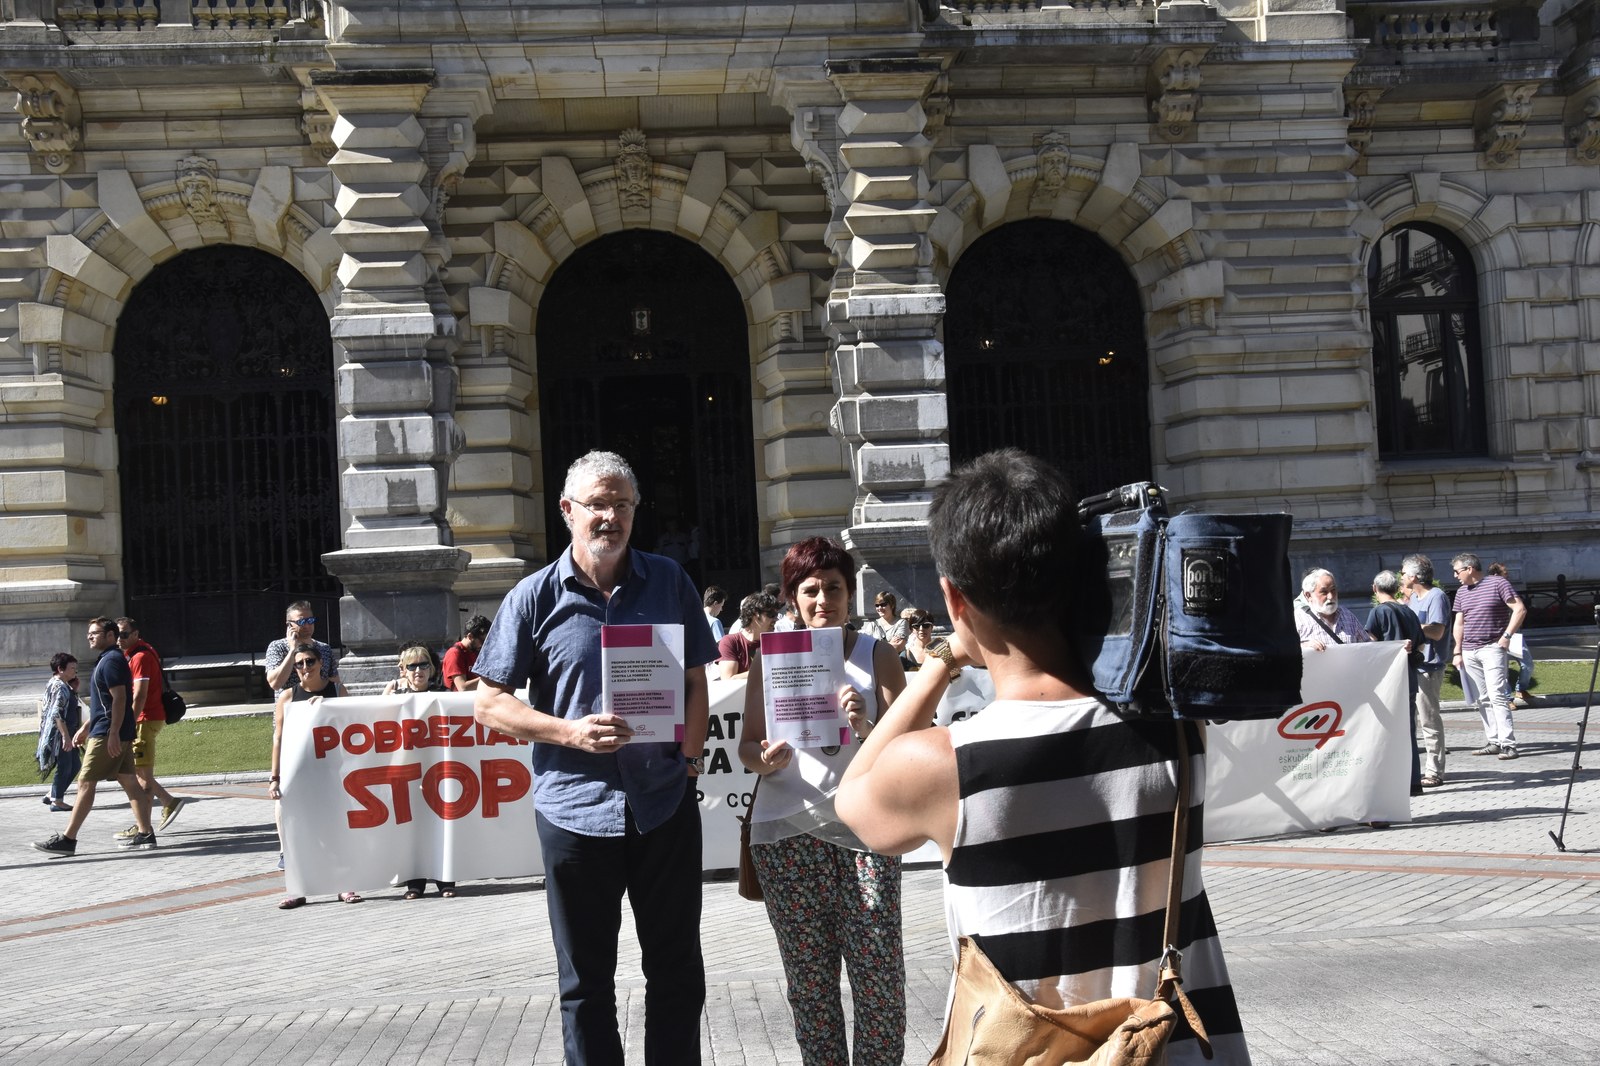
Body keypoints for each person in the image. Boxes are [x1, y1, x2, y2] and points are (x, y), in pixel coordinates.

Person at [834, 449, 1249, 1065]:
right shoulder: (1179, 727)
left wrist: (942, 661)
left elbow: (853, 799)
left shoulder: (947, 766)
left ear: (955, 600)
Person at [473, 450, 717, 1066]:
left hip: (662, 805)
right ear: (567, 510)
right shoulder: (533, 597)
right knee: (584, 983)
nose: (611, 517)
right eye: (598, 505)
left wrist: (690, 760)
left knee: (677, 970)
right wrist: (569, 733)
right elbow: (489, 704)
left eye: (622, 505)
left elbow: (696, 681)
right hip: (575, 813)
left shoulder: (670, 580)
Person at [737, 536, 909, 1066]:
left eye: (833, 588)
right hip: (786, 837)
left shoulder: (877, 655)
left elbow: (910, 748)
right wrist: (766, 759)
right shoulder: (770, 659)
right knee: (810, 989)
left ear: (850, 593)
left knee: (880, 984)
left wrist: (867, 725)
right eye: (810, 590)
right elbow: (747, 747)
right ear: (792, 598)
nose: (822, 600)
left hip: (866, 835)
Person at [33, 618, 157, 856]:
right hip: (111, 729)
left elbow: (120, 699)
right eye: (88, 633)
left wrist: (113, 733)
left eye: (95, 633)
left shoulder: (111, 661)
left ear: (110, 635)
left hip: (108, 733)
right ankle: (145, 834)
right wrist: (86, 728)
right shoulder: (109, 659)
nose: (89, 637)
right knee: (129, 781)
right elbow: (106, 703)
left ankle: (68, 839)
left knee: (85, 783)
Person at [270, 643, 356, 908]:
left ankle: (344, 885)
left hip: (332, 770)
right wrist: (275, 777)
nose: (305, 667)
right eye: (300, 664)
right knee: (298, 831)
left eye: (310, 661)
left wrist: (327, 706)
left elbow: (353, 724)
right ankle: (297, 889)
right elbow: (279, 737)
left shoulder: (337, 691)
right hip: (299, 770)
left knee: (336, 828)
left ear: (320, 663)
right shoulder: (288, 696)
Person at [380, 641, 459, 899]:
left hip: (439, 772)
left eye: (423, 665)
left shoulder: (444, 695)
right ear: (402, 669)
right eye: (411, 666)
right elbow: (373, 720)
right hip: (408, 773)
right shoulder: (395, 695)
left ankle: (446, 880)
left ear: (431, 668)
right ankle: (415, 883)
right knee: (412, 828)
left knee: (441, 825)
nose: (418, 671)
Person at [113, 618, 187, 835]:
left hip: (144, 719)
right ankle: (166, 804)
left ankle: (145, 826)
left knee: (141, 775)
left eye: (124, 634)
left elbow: (140, 695)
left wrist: (130, 722)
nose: (119, 639)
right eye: (116, 635)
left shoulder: (140, 657)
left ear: (136, 634)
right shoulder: (139, 651)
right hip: (147, 718)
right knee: (139, 772)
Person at [1451, 553, 1527, 760]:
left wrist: (1506, 636)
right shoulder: (1461, 592)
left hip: (1492, 648)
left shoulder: (1497, 583)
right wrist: (1457, 651)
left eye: (1457, 571)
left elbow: (1519, 609)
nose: (1455, 576)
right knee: (1482, 699)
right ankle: (1494, 741)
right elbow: (1459, 623)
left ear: (1469, 569)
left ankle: (1508, 744)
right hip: (1469, 651)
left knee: (1497, 696)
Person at [1366, 571, 1426, 796]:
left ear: (1375, 588)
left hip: (1388, 681)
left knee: (1386, 732)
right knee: (1408, 731)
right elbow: (1421, 645)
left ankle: (1392, 781)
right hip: (1409, 677)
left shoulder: (1378, 612)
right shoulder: (1408, 611)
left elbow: (1371, 644)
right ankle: (1414, 781)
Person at [1401, 554, 1450, 788]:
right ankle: (1413, 770)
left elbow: (1437, 632)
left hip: (1429, 667)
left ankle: (1434, 771)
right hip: (1413, 665)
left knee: (1429, 721)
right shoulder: (1413, 598)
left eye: (1403, 573)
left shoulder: (1436, 596)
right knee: (1411, 721)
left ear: (1414, 576)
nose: (1401, 577)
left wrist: (1412, 627)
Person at [36, 652, 81, 811]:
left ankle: (53, 794)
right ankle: (57, 800)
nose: (75, 671)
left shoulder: (61, 684)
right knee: (65, 766)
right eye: (72, 668)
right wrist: (65, 736)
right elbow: (57, 714)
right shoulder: (59, 686)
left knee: (75, 765)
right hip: (60, 734)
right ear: (60, 669)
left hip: (67, 732)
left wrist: (73, 690)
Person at [263, 600, 338, 694]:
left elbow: (335, 683)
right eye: (301, 622)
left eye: (310, 621)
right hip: (290, 702)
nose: (307, 626)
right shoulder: (277, 647)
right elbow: (275, 684)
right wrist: (292, 650)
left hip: (320, 701)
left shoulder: (324, 648)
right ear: (289, 625)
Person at [1487, 563, 1536, 699]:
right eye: (1505, 572)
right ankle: (1507, 697)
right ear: (1496, 574)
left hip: (1514, 634)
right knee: (1503, 668)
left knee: (1528, 664)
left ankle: (1521, 688)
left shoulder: (1507, 587)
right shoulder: (1490, 590)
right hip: (1498, 635)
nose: (1507, 575)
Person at [1294, 569, 1371, 649]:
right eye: (1324, 592)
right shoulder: (1298, 619)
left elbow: (1367, 646)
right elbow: (1286, 649)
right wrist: (1303, 646)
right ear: (1308, 595)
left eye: (1333, 590)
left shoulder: (1347, 615)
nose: (1330, 597)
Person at [717, 591, 779, 679]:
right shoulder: (730, 642)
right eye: (771, 615)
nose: (776, 619)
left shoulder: (776, 643)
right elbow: (728, 679)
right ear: (755, 614)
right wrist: (770, 671)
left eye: (776, 615)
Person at [441, 614, 491, 691]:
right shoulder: (454, 654)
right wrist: (489, 679)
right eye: (482, 641)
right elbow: (462, 688)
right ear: (470, 636)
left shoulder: (474, 652)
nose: (484, 645)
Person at [899, 607, 935, 672]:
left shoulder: (941, 652)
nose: (921, 629)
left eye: (926, 625)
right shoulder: (905, 656)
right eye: (917, 626)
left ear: (932, 627)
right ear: (911, 629)